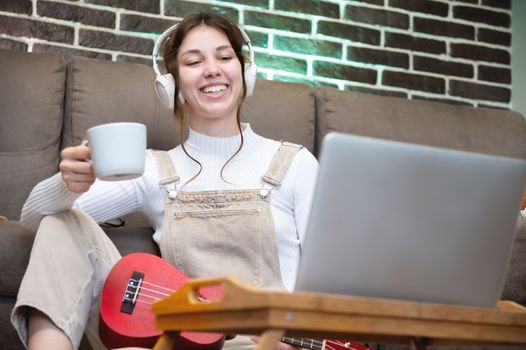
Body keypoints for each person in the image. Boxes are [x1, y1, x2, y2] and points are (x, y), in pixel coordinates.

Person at [11, 12, 318, 350]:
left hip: (269, 343)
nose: (212, 69)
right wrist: (68, 184)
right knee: (61, 224)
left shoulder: (294, 163)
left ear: (245, 73)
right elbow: (34, 218)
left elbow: (332, 283)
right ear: (171, 86)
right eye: (193, 61)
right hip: (180, 339)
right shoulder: (154, 170)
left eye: (224, 57)